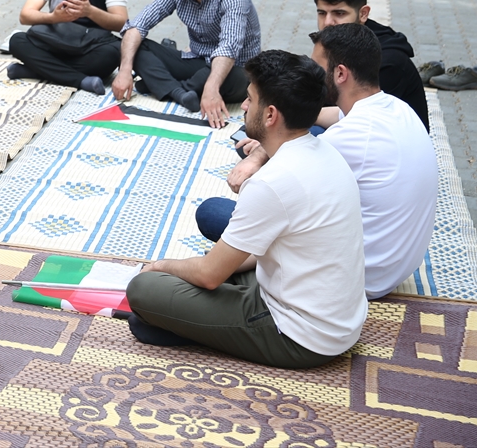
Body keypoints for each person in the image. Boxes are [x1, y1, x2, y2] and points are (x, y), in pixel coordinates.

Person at [125, 50, 367, 368]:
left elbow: (209, 275)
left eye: (250, 99)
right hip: (336, 319)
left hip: (300, 336)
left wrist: (159, 266)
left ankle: (193, 326)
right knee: (198, 279)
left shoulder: (272, 182)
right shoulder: (325, 150)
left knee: (143, 289)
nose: (244, 106)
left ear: (270, 115)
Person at [196, 25, 437, 300]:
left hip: (357, 276)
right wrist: (275, 137)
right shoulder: (395, 107)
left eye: (317, 68)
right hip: (393, 267)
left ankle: (241, 270)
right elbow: (331, 116)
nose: (312, 76)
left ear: (340, 74)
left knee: (212, 212)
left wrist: (257, 157)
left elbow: (272, 195)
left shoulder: (348, 139)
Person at [112, 0, 260, 127]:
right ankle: (180, 93)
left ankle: (162, 84)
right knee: (134, 45)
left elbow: (228, 48)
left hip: (232, 69)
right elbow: (138, 25)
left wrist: (211, 88)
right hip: (196, 61)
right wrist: (125, 70)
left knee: (227, 78)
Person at [313, 0, 429, 130]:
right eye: (322, 13)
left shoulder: (386, 61)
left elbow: (359, 118)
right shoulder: (335, 43)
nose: (328, 23)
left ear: (363, 14)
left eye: (339, 13)